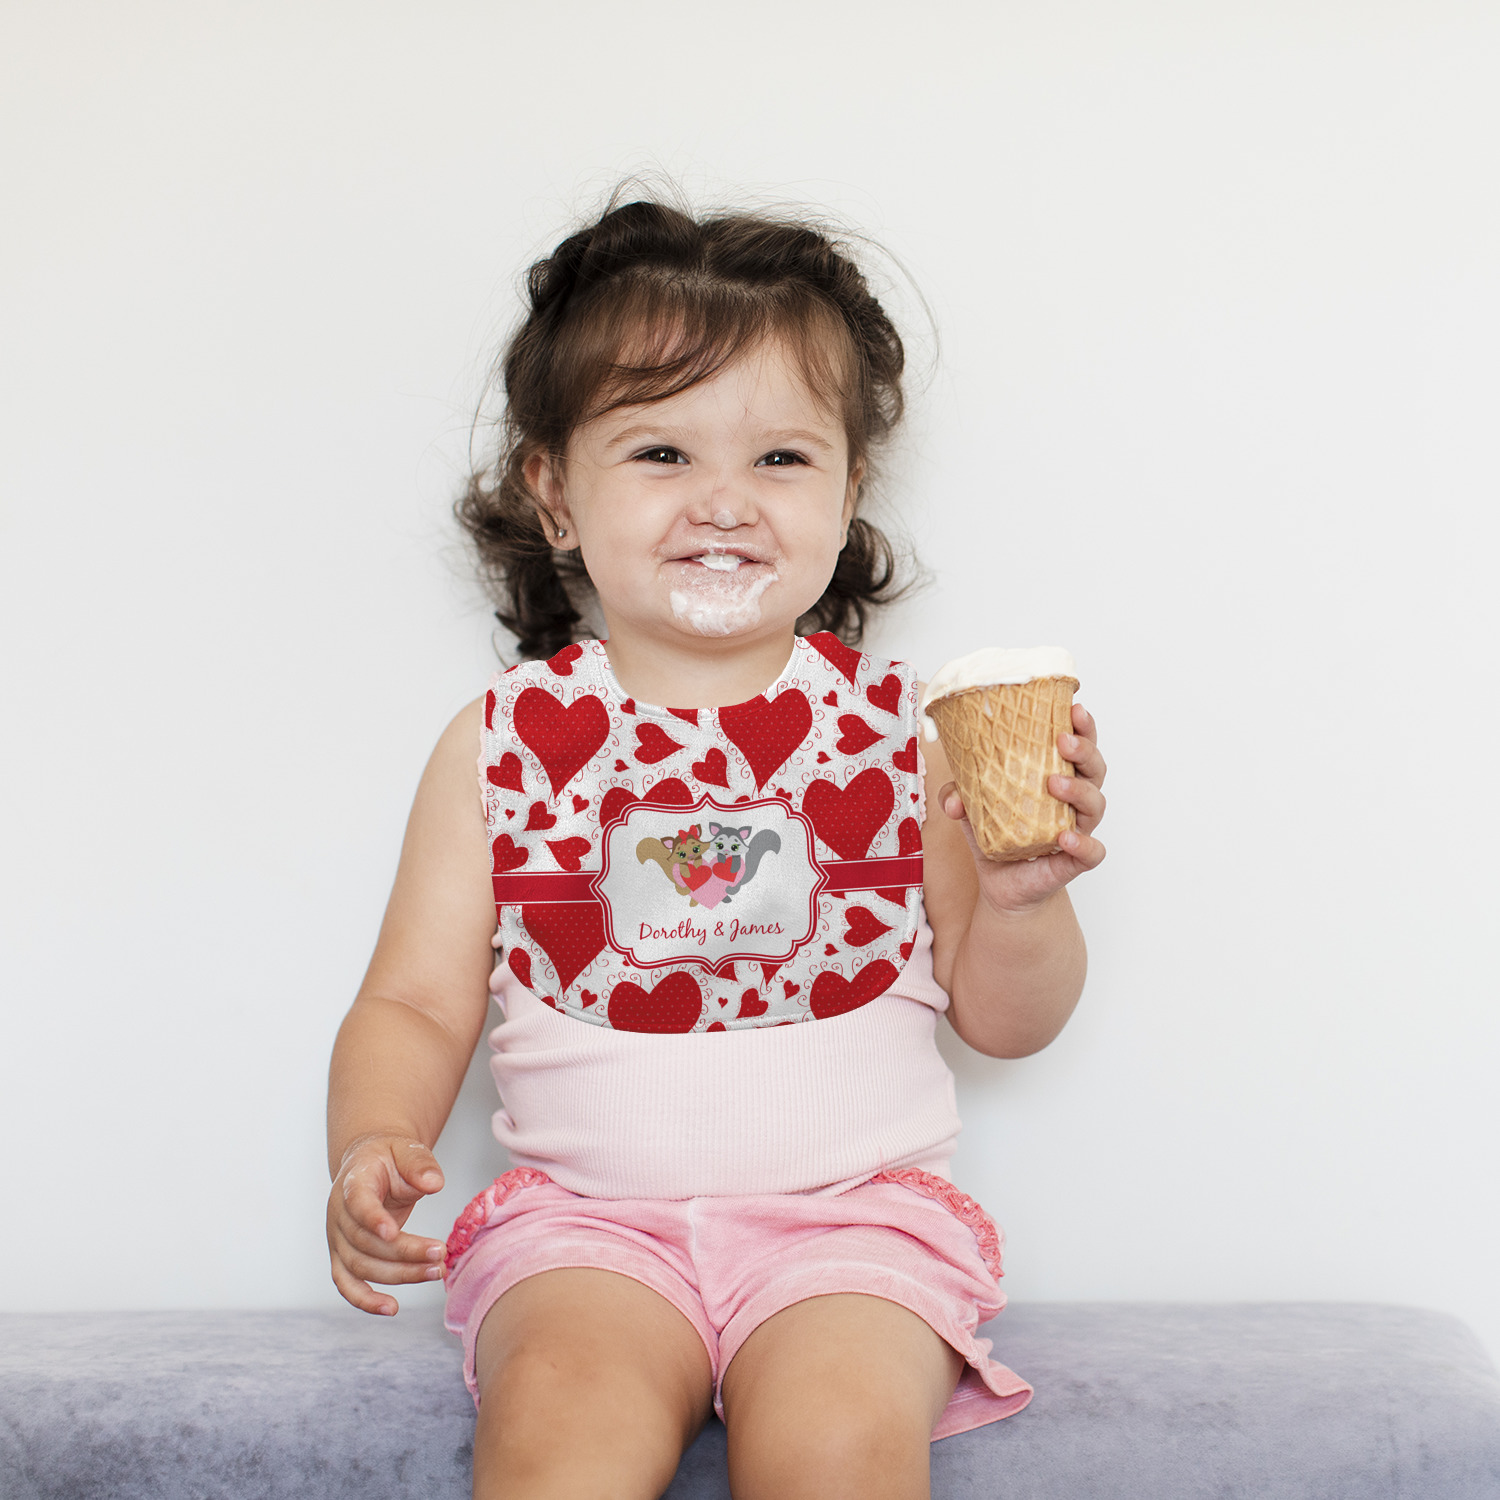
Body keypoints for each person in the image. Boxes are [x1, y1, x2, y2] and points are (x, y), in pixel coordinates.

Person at [325, 192, 1108, 1500]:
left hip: (851, 1228)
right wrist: (372, 1139)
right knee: (558, 1435)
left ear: (848, 492)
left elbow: (1006, 1023)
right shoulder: (501, 744)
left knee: (838, 1444)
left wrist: (1023, 900)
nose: (726, 502)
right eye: (662, 452)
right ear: (554, 493)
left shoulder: (908, 737)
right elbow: (411, 999)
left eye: (781, 458)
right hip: (589, 1235)